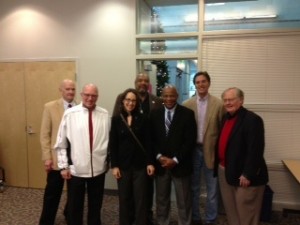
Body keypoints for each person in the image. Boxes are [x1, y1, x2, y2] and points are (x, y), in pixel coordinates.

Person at [55, 83, 110, 225]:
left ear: (97, 97)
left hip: (98, 170)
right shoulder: (70, 114)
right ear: (81, 95)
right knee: (75, 206)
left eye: (93, 95)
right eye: (87, 95)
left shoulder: (104, 114)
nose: (90, 98)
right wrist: (63, 166)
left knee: (96, 205)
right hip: (76, 170)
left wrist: (107, 161)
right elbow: (61, 142)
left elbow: (109, 141)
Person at [112, 72, 163, 225]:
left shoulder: (143, 119)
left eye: (133, 101)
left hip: (140, 165)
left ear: (136, 103)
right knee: (124, 199)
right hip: (123, 165)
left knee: (141, 199)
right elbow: (113, 144)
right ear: (123, 101)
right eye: (128, 100)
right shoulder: (116, 120)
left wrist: (149, 162)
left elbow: (148, 142)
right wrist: (114, 165)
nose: (130, 103)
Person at [215, 87, 269, 225]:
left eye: (231, 99)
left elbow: (256, 149)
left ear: (241, 100)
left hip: (244, 177)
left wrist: (248, 174)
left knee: (247, 215)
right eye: (225, 100)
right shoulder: (225, 118)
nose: (228, 103)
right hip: (225, 171)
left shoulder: (252, 119)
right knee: (231, 212)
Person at [149, 85, 197, 225]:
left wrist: (175, 160)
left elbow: (190, 141)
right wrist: (159, 157)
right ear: (162, 97)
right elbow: (151, 139)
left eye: (172, 95)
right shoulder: (154, 114)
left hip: (181, 165)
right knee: (161, 199)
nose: (169, 99)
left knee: (184, 200)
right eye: (166, 96)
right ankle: (163, 222)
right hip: (161, 165)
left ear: (177, 96)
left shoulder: (187, 114)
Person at [183, 71, 224, 225]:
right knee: (193, 188)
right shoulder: (187, 104)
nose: (201, 84)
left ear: (209, 83)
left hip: (211, 153)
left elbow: (223, 130)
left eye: (203, 81)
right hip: (193, 151)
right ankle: (195, 217)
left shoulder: (219, 104)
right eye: (198, 82)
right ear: (195, 84)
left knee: (212, 190)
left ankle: (210, 219)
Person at [39, 79, 76, 225]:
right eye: (67, 89)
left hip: (74, 158)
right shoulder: (50, 107)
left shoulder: (80, 107)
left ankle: (69, 215)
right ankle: (46, 221)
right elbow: (44, 134)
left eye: (73, 89)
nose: (70, 92)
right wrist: (47, 157)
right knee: (52, 193)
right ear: (61, 90)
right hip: (56, 158)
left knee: (74, 193)